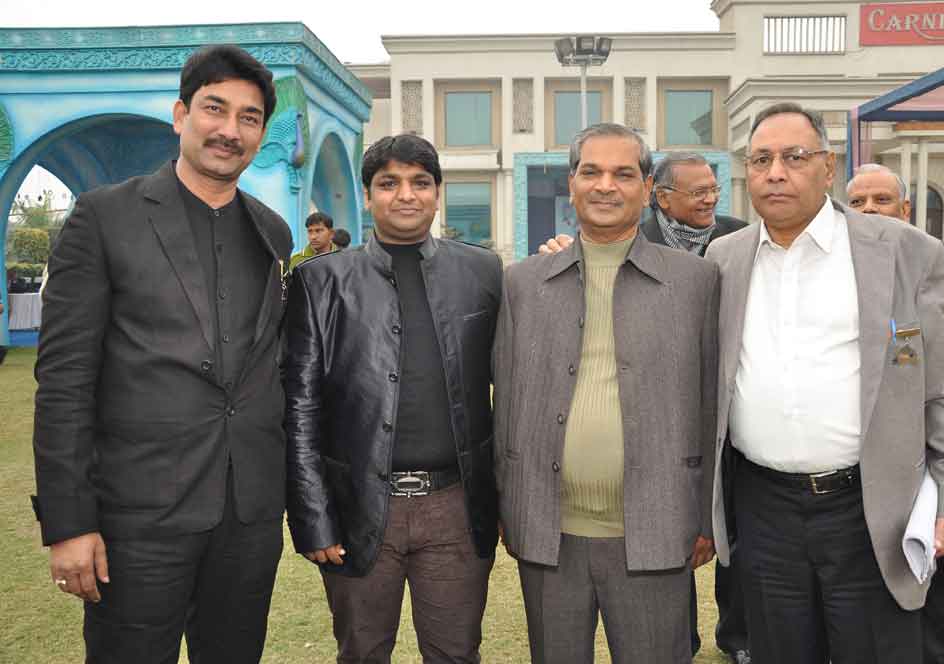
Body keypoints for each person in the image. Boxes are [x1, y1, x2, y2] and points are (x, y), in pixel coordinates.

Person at [32, 44, 291, 664]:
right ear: (180, 115)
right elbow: (65, 381)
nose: (230, 130)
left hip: (247, 521)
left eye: (249, 118)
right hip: (137, 522)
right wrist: (69, 523)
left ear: (260, 134)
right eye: (214, 108)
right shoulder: (103, 219)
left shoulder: (273, 233)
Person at [706, 102, 944, 663]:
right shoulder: (724, 260)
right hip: (763, 511)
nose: (775, 173)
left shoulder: (903, 251)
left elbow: (940, 382)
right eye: (761, 160)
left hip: (870, 508)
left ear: (828, 167)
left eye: (794, 157)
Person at [493, 123, 719, 663]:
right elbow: (506, 403)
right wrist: (506, 501)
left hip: (657, 525)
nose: (605, 186)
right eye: (591, 172)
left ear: (648, 188)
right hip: (548, 532)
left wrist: (707, 516)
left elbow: (713, 406)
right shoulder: (522, 282)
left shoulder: (697, 281)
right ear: (571, 183)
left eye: (623, 174)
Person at [283, 134, 501, 663]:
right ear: (366, 195)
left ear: (437, 192)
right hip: (357, 504)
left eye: (420, 182)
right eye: (389, 183)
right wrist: (313, 516)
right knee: (362, 652)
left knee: (456, 653)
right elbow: (300, 407)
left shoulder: (483, 271)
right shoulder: (320, 280)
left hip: (455, 507)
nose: (406, 195)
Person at [846, 163, 944, 664]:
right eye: (858, 202)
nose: (870, 210)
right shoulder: (841, 274)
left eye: (882, 200)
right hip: (883, 461)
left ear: (906, 208)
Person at [647, 152, 750, 664]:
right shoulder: (636, 240)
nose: (711, 199)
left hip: (733, 408)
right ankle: (678, 641)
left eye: (714, 189)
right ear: (663, 198)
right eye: (698, 192)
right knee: (672, 532)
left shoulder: (739, 237)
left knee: (739, 528)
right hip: (665, 411)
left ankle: (739, 636)